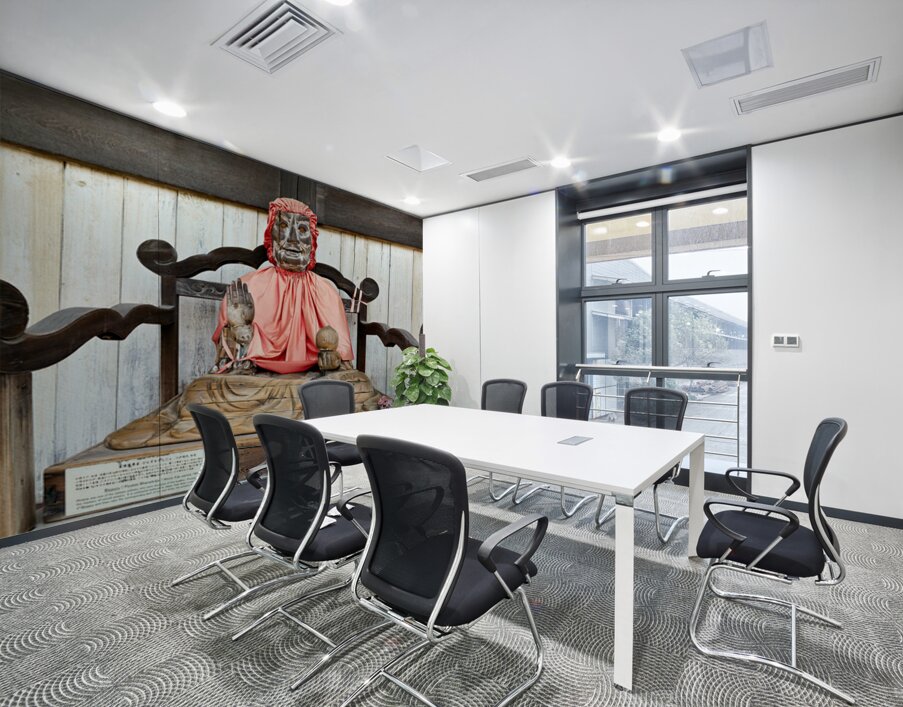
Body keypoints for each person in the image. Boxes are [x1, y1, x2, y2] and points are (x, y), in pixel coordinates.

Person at [212, 197, 353, 373]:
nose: (293, 239)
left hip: (311, 377)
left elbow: (342, 361)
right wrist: (240, 333)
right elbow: (226, 360)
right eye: (284, 227)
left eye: (302, 229)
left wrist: (332, 358)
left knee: (354, 386)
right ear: (271, 235)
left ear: (312, 242)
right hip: (258, 379)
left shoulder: (327, 292)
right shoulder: (249, 286)